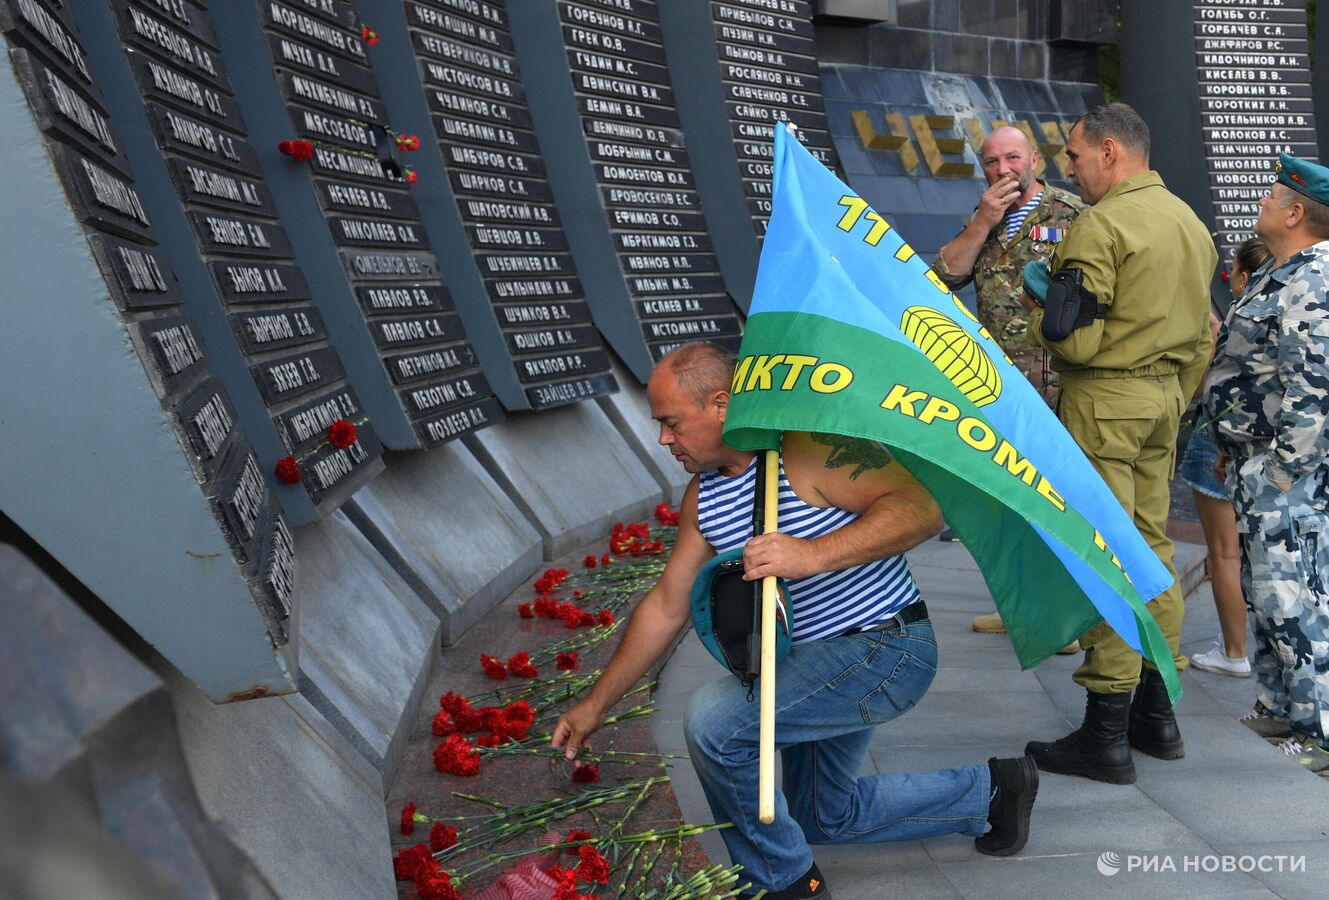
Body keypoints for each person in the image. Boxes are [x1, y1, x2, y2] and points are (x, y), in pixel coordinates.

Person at [551, 343, 1040, 898]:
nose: (663, 439)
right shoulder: (703, 498)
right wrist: (595, 705)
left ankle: (783, 883)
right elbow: (666, 605)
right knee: (822, 816)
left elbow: (920, 511)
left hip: (884, 648)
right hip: (809, 661)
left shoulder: (807, 450)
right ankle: (995, 791)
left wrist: (810, 554)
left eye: (670, 423)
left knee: (716, 725)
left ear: (721, 404)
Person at [1016, 102, 1216, 784]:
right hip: (1164, 401)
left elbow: (1075, 337)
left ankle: (1105, 729)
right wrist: (1171, 392)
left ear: (1108, 151)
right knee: (1151, 547)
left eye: (1073, 156)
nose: (1067, 168)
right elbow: (1201, 338)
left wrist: (1041, 308)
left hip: (1104, 401)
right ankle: (1156, 718)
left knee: (1103, 553)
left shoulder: (1100, 225)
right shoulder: (1188, 223)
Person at [933, 125, 1085, 637]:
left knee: (1061, 498)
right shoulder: (983, 219)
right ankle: (1023, 605)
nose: (1002, 170)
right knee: (1013, 499)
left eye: (1012, 158)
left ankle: (1067, 619)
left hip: (1057, 381)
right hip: (998, 385)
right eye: (992, 162)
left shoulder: (1072, 213)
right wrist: (983, 222)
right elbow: (944, 278)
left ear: (1036, 161)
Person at [1204, 154, 1329, 774]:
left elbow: (1313, 389)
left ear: (1296, 211)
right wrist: (1235, 452)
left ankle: (1318, 729)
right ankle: (1279, 704)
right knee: (1265, 590)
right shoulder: (1279, 273)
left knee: (1293, 594)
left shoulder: (1313, 280)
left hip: (1286, 475)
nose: (1261, 206)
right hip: (1255, 463)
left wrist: (1280, 472)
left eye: (1269, 197)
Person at [1182, 239, 1272, 677]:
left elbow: (1201, 388)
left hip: (1218, 440)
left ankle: (1235, 651)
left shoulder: (1233, 323)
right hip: (1268, 447)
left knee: (1224, 553)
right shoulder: (1283, 312)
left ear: (1239, 278)